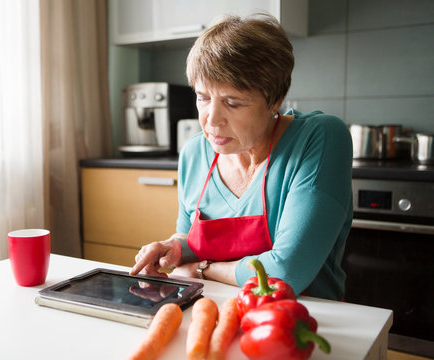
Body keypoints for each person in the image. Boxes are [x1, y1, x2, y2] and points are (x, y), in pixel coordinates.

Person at [129, 13, 353, 301]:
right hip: (216, 311)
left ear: (274, 100)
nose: (211, 120)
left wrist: (204, 268)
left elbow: (284, 274)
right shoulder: (195, 152)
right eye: (203, 97)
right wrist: (173, 248)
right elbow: (190, 241)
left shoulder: (319, 138)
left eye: (232, 102)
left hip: (304, 320)